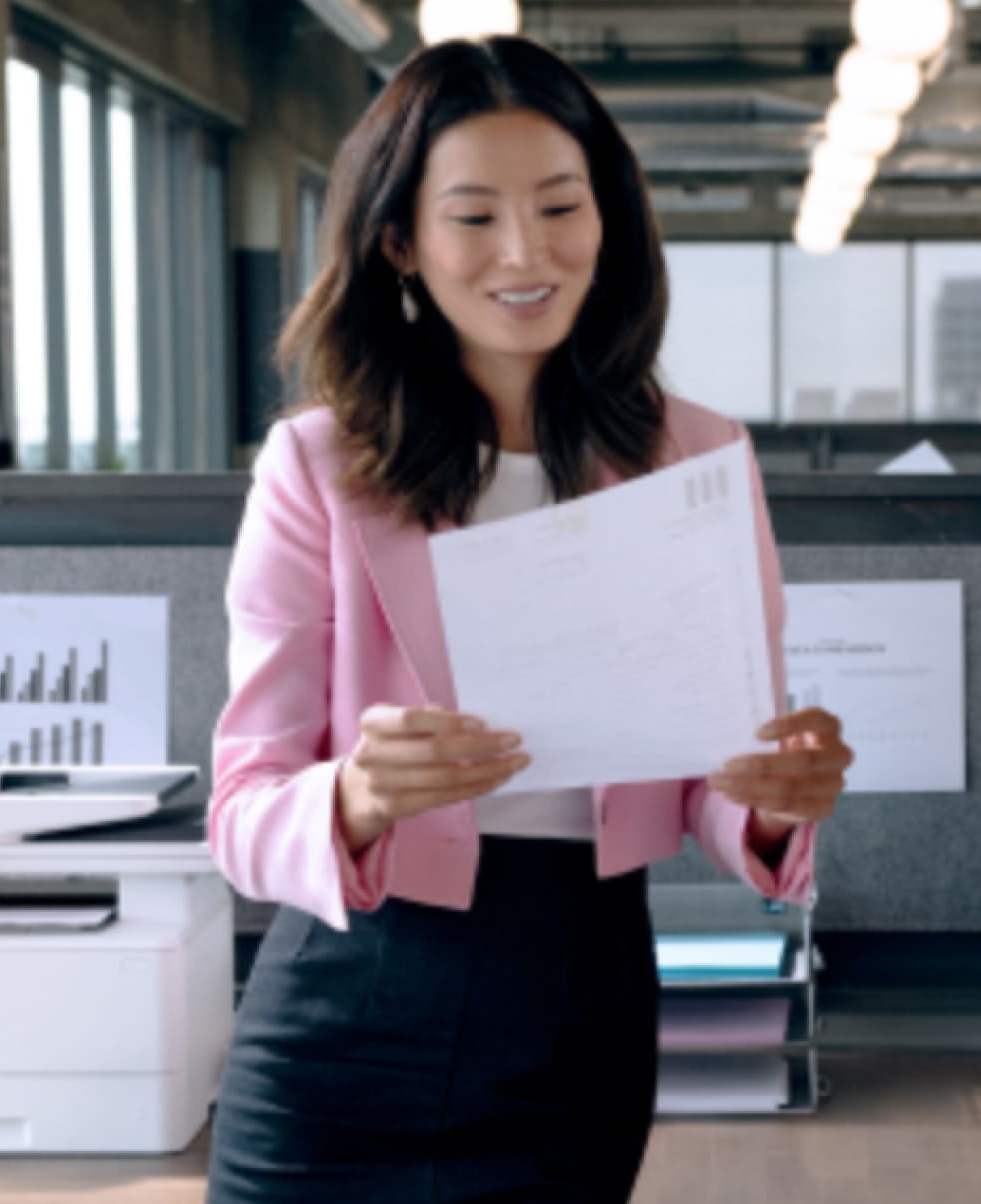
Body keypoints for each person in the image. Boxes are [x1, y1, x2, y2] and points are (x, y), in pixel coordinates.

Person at [205, 36, 851, 1203]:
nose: (525, 252)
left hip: (576, 1001)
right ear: (400, 240)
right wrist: (358, 793)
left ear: (609, 220)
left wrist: (767, 798)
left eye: (561, 205)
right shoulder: (318, 467)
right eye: (473, 216)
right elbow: (241, 810)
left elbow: (710, 769)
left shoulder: (698, 459)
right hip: (349, 1006)